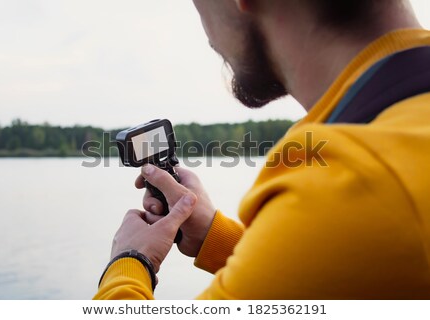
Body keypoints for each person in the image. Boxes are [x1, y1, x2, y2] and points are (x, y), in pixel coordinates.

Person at [94, 0, 430, 299]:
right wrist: (217, 237)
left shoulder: (352, 181)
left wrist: (132, 261)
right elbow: (331, 273)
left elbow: (341, 223)